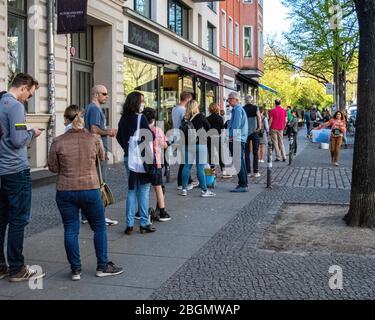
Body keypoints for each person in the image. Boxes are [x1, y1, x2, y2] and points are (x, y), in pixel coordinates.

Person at [48, 105, 123, 281]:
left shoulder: (58, 141)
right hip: (90, 188)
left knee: (71, 229)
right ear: (82, 119)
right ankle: (102, 266)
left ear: (66, 120)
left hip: (65, 190)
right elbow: (102, 158)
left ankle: (75, 270)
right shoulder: (93, 139)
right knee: (98, 227)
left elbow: (52, 168)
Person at [0, 73, 45, 282]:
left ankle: (1, 266)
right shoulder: (15, 106)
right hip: (16, 170)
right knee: (19, 219)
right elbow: (18, 140)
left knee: (1, 220)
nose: (28, 99)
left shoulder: (1, 102)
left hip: (1, 170)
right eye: (30, 94)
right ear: (24, 87)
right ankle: (17, 268)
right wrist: (33, 133)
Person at [116, 92, 156, 235]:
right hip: (143, 158)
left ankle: (129, 224)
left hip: (129, 158)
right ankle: (144, 223)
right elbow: (150, 136)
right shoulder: (141, 118)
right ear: (137, 103)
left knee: (131, 190)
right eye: (142, 101)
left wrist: (128, 148)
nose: (143, 104)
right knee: (144, 190)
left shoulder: (123, 118)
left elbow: (119, 136)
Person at [82, 85, 118, 227]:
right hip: (97, 151)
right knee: (99, 184)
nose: (107, 96)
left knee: (91, 184)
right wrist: (109, 132)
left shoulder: (89, 108)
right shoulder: (95, 109)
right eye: (104, 94)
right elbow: (94, 129)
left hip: (91, 150)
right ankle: (99, 216)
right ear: (96, 94)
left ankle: (86, 215)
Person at [180, 100, 215, 197]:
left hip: (187, 145)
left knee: (187, 166)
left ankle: (184, 189)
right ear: (196, 107)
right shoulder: (200, 116)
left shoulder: (185, 118)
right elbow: (209, 127)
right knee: (200, 168)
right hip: (200, 144)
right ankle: (204, 191)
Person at [142, 107, 171, 222]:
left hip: (143, 163)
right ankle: (162, 211)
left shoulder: (140, 130)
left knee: (143, 188)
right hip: (156, 163)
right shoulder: (157, 130)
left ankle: (141, 211)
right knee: (158, 187)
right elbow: (165, 145)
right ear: (153, 119)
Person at [171, 92, 198, 191]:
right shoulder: (183, 110)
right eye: (190, 100)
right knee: (185, 161)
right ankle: (182, 182)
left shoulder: (174, 108)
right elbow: (186, 123)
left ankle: (187, 180)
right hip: (183, 136)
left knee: (184, 160)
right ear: (187, 99)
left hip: (176, 135)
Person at [227, 92, 248, 192]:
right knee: (240, 161)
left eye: (230, 99)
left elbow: (236, 126)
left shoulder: (238, 110)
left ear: (236, 99)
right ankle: (243, 183)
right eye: (228, 99)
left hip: (237, 139)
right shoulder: (237, 109)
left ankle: (243, 185)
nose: (229, 101)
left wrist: (231, 137)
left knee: (238, 162)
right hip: (239, 139)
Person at [243, 95, 262, 178]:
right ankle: (256, 171)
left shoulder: (243, 108)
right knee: (255, 152)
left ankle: (248, 172)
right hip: (254, 132)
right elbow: (259, 117)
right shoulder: (255, 107)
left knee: (246, 153)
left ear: (245, 100)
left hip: (246, 132)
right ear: (252, 100)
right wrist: (259, 127)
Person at [206, 103, 225, 176]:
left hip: (210, 138)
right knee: (221, 154)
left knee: (211, 155)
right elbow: (222, 128)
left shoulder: (207, 118)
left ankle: (212, 172)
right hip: (218, 137)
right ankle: (223, 171)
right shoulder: (220, 118)